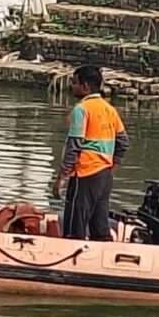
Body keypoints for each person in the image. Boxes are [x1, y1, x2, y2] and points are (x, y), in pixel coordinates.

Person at [50, 63, 126, 242]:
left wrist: (61, 178)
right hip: (104, 175)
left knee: (74, 227)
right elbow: (123, 143)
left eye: (75, 83)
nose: (72, 86)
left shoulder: (81, 109)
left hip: (84, 174)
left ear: (85, 86)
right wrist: (111, 167)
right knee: (100, 227)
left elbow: (74, 146)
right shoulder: (110, 110)